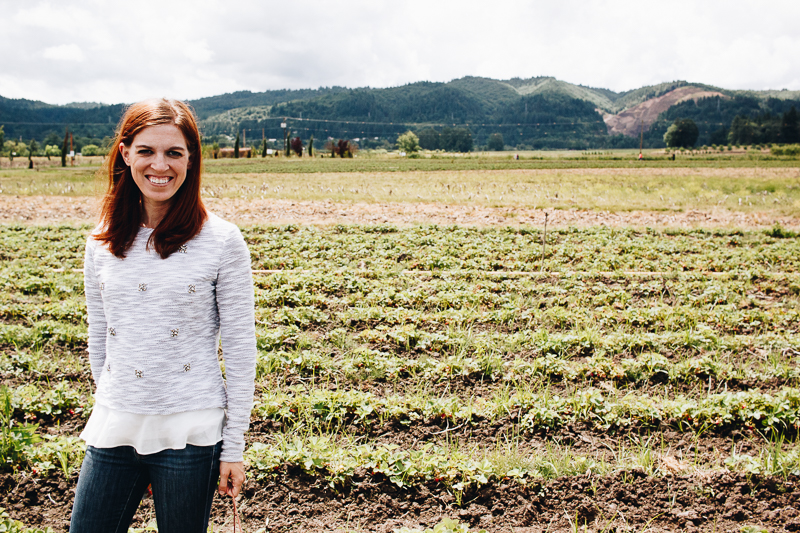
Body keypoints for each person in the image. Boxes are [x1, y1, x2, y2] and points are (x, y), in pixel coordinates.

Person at [70, 98, 257, 533]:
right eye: (147, 151)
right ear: (125, 154)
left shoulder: (222, 241)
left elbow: (241, 350)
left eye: (174, 152)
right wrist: (119, 400)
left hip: (191, 433)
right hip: (116, 424)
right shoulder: (101, 241)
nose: (160, 165)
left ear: (191, 160)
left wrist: (233, 447)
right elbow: (100, 337)